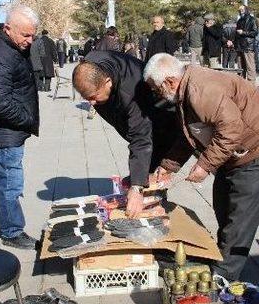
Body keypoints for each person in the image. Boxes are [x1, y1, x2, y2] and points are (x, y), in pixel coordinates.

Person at [144, 53, 259, 281]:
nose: (156, 95)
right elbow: (189, 135)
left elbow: (232, 130)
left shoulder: (201, 91)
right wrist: (168, 167)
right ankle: (224, 257)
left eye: (156, 89)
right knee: (223, 203)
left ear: (170, 82)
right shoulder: (185, 91)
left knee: (240, 217)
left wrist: (204, 165)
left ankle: (223, 278)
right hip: (236, 150)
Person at [72, 51, 185, 217]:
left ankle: (153, 208)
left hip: (162, 121)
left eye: (94, 97)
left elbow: (141, 139)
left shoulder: (131, 92)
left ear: (108, 82)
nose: (91, 103)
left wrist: (137, 186)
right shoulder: (90, 67)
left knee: (151, 171)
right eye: (86, 97)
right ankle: (141, 197)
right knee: (141, 171)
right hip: (136, 121)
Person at [0, 5, 40, 250]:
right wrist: (27, 119)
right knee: (10, 180)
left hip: (6, 128)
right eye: (25, 35)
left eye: (32, 35)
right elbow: (2, 104)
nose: (30, 40)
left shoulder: (10, 47)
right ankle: (12, 231)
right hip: (7, 129)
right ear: (8, 28)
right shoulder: (0, 56)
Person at [235, 5, 259, 83]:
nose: (240, 11)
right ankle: (241, 83)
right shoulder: (239, 20)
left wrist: (243, 32)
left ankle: (251, 83)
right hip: (240, 46)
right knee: (240, 67)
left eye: (242, 9)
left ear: (246, 10)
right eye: (239, 10)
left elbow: (255, 32)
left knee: (250, 66)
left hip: (248, 46)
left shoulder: (252, 20)